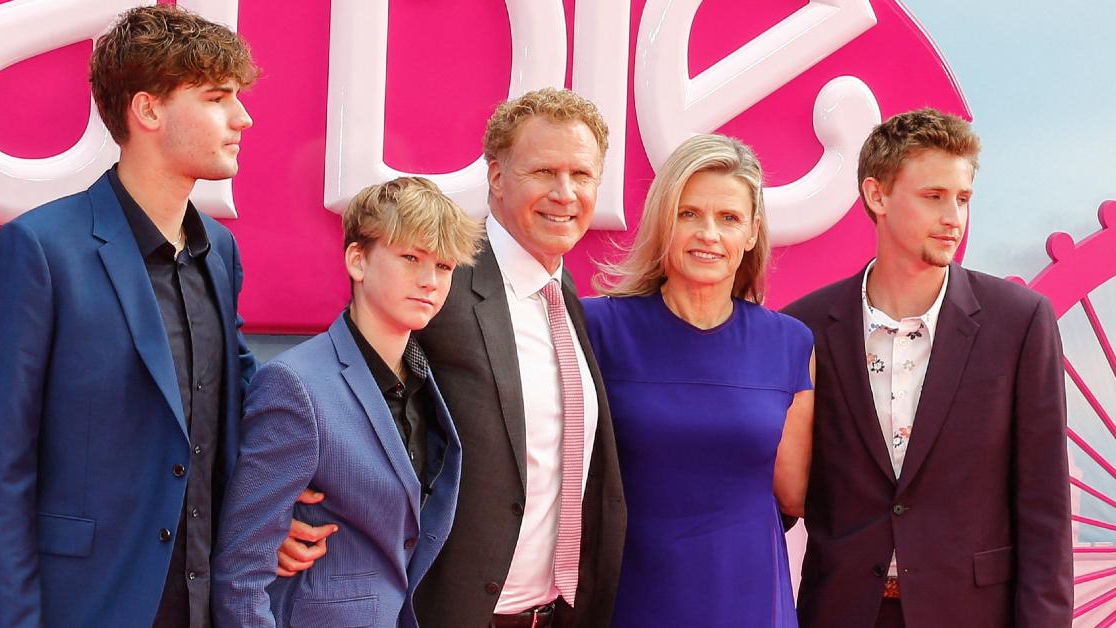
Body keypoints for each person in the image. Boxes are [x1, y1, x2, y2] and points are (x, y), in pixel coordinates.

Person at [0, 6, 259, 627]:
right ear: (148, 111)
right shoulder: (39, 251)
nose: (242, 118)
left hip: (211, 605)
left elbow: (234, 413)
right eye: (215, 98)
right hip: (89, 606)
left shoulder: (220, 253)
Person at [783, 108, 1072, 627]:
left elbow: (1044, 510)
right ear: (877, 196)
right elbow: (777, 494)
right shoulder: (802, 328)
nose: (953, 219)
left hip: (973, 613)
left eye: (962, 199)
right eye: (933, 197)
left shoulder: (1019, 322)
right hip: (841, 612)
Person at [211, 177, 482, 627]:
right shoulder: (295, 385)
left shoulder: (425, 380)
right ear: (358, 260)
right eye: (410, 258)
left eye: (445, 266)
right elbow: (241, 569)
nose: (429, 281)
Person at [404, 87, 627, 627]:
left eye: (581, 175)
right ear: (497, 176)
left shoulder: (567, 294)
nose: (564, 193)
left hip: (557, 615)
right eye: (544, 172)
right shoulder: (441, 283)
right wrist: (303, 497)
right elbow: (356, 394)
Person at [584, 134, 815, 627]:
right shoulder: (596, 329)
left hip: (750, 595)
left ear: (752, 233)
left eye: (728, 218)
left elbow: (793, 494)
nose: (708, 233)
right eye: (689, 214)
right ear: (663, 221)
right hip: (629, 594)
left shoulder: (790, 343)